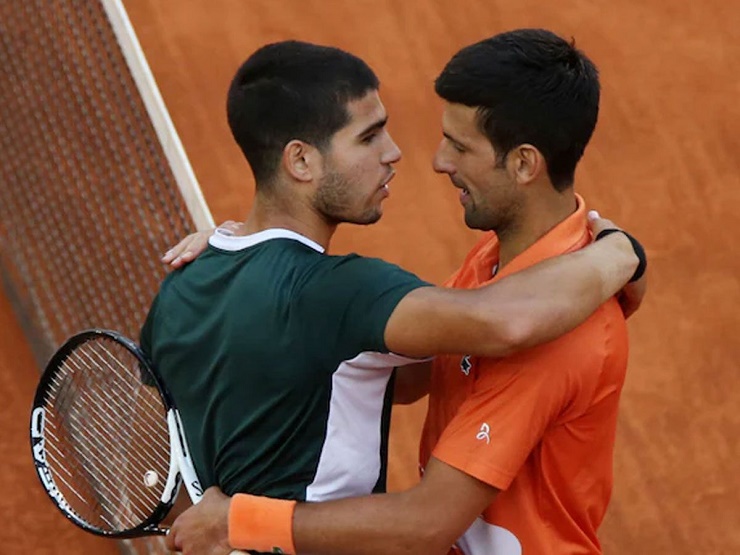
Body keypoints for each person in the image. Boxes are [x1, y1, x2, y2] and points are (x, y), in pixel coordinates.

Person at [164, 30, 646, 555]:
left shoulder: (549, 327)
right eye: (370, 137)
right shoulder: (494, 262)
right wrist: (247, 276)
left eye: (460, 147)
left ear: (525, 164)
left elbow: (422, 525)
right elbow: (420, 371)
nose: (436, 161)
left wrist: (236, 521)